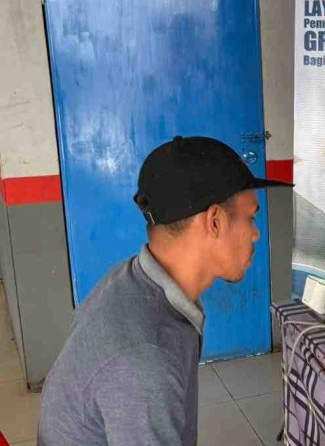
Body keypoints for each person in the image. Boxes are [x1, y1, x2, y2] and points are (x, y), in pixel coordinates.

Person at [38, 136, 290, 445]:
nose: (256, 233)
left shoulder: (133, 279)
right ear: (214, 222)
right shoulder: (146, 359)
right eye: (251, 217)